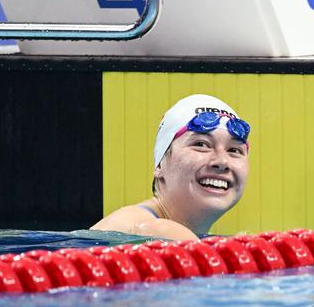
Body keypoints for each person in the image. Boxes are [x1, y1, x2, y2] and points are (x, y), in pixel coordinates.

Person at [91, 94, 251, 241]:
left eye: (234, 150)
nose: (222, 162)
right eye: (201, 144)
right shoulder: (154, 229)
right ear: (160, 164)